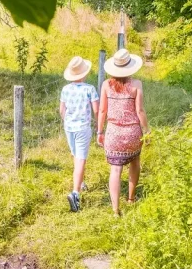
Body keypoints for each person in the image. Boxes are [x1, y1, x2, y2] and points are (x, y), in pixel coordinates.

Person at [97, 49, 149, 217]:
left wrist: (99, 131)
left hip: (113, 133)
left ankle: (115, 210)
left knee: (115, 170)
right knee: (135, 163)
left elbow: (102, 111)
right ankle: (131, 198)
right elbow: (140, 111)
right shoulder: (136, 85)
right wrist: (147, 132)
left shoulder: (106, 85)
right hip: (133, 132)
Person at [60, 56, 99, 212]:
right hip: (83, 127)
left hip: (69, 127)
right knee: (81, 159)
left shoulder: (65, 89)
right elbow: (96, 109)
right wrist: (98, 124)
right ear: (84, 73)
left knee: (76, 155)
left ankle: (81, 181)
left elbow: (61, 110)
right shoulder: (89, 89)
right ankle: (75, 193)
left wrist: (67, 121)